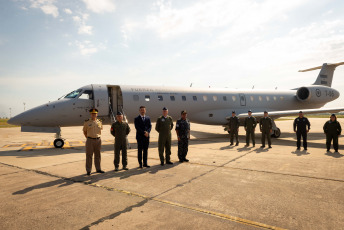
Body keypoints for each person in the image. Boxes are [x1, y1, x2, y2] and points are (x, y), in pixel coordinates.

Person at [83, 108, 105, 175]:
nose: (94, 115)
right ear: (90, 114)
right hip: (90, 140)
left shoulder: (99, 122)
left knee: (98, 155)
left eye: (95, 114)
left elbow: (100, 130)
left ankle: (98, 169)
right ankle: (88, 170)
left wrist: (97, 137)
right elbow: (84, 131)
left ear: (97, 114)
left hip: (98, 140)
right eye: (92, 114)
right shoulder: (87, 122)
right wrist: (89, 138)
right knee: (89, 155)